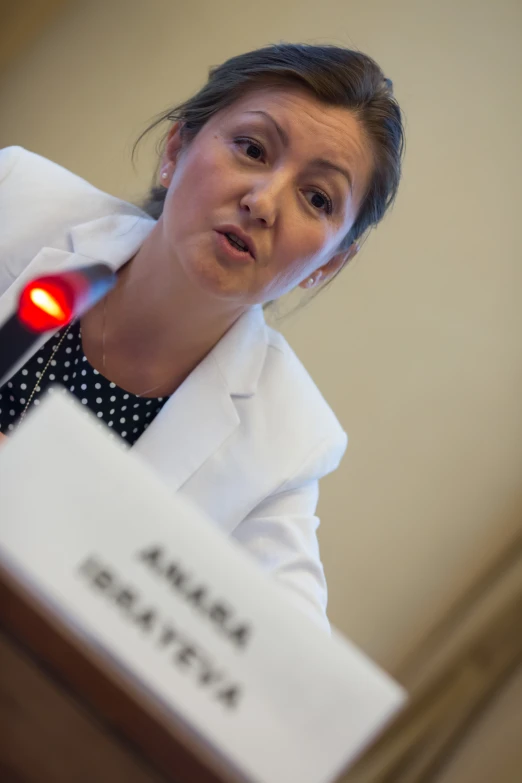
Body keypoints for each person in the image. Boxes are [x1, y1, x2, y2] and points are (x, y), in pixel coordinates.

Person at [0, 43, 404, 631]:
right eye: (252, 149)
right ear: (175, 149)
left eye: (317, 198)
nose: (263, 203)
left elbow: (287, 667)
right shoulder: (14, 199)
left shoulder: (286, 446)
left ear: (328, 264)